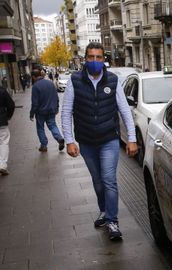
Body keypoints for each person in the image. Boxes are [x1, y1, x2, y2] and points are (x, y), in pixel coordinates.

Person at [61, 42, 137, 241]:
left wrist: (132, 138)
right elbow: (66, 111)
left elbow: (125, 111)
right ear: (85, 59)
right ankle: (103, 211)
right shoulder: (75, 80)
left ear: (104, 60)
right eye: (91, 57)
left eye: (99, 57)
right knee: (98, 181)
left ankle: (112, 220)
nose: (95, 61)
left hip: (108, 140)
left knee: (109, 180)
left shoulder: (112, 80)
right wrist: (69, 140)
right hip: (86, 142)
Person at [30, 69, 65, 152]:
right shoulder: (50, 83)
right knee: (53, 125)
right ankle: (59, 138)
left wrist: (31, 114)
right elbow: (56, 97)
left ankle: (44, 145)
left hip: (40, 112)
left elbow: (35, 103)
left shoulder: (35, 86)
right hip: (51, 110)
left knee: (40, 128)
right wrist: (56, 107)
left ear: (33, 77)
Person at [0, 85, 15, 175]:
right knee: (4, 142)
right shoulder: (2, 91)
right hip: (1, 121)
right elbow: (11, 105)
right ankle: (2, 165)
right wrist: (8, 116)